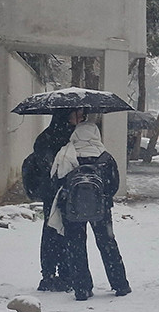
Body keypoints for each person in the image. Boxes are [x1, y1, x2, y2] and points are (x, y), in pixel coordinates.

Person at [50, 121, 130, 301]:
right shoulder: (105, 157)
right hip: (101, 210)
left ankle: (82, 288)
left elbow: (56, 181)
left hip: (72, 211)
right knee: (107, 244)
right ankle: (120, 284)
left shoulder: (66, 154)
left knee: (76, 246)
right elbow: (114, 184)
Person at [28, 110, 77, 291]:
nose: (79, 119)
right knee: (59, 232)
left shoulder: (45, 137)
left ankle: (51, 273)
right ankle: (59, 273)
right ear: (65, 116)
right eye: (75, 115)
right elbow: (49, 167)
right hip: (58, 193)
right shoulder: (64, 138)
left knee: (52, 232)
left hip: (54, 193)